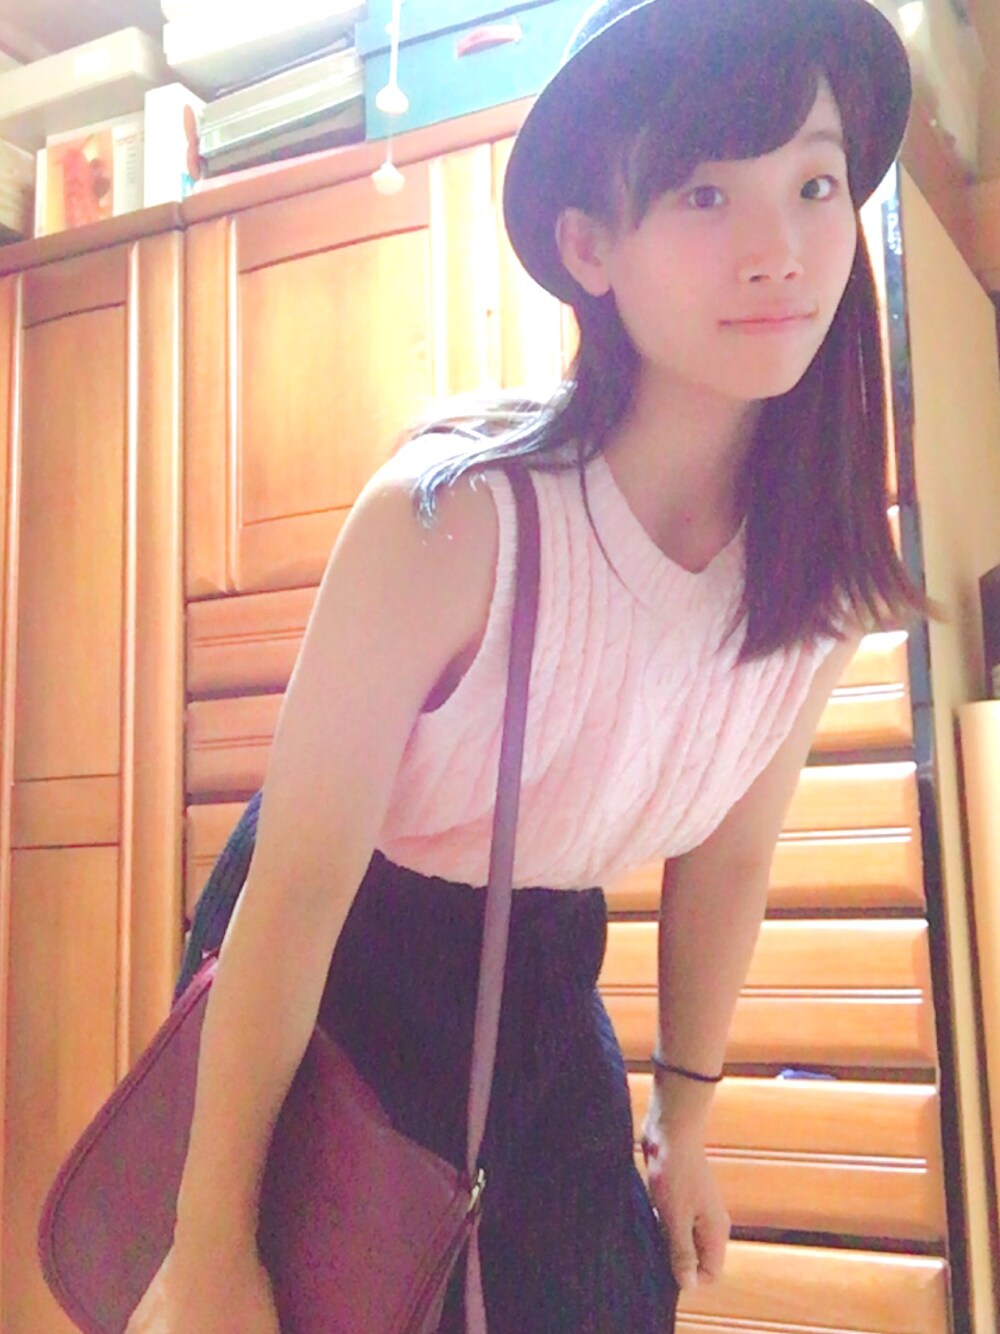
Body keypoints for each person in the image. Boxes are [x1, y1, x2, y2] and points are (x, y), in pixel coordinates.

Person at [127, 1, 927, 1331]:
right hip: (340, 968)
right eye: (705, 192)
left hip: (541, 962)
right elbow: (294, 898)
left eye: (814, 183)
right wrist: (209, 1242)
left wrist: (684, 1121)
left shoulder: (815, 570)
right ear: (588, 246)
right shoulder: (450, 524)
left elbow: (728, 856)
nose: (781, 249)